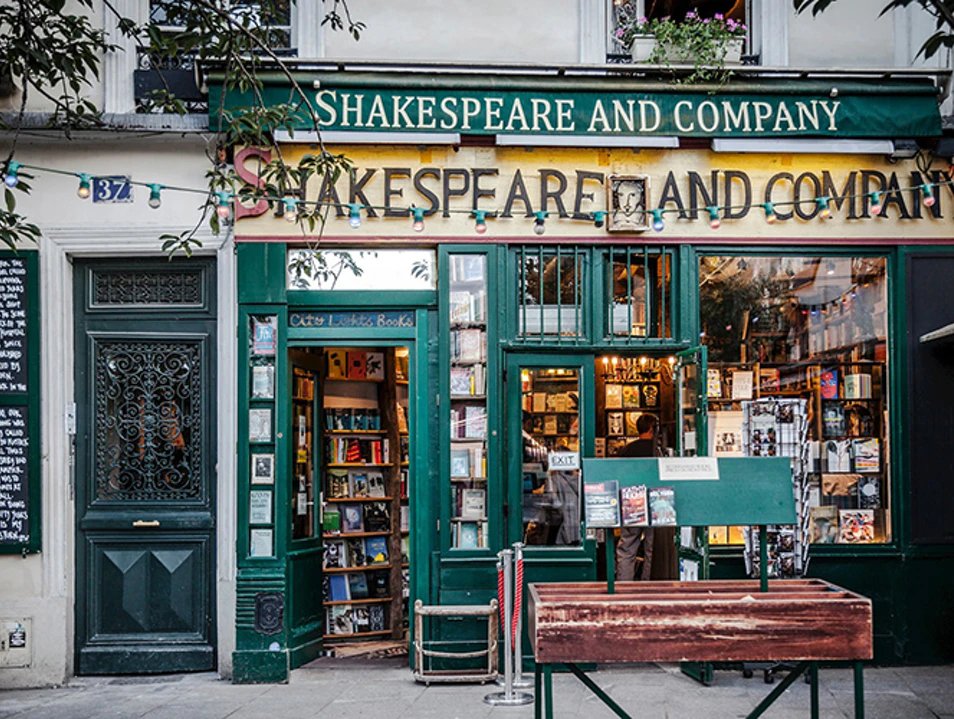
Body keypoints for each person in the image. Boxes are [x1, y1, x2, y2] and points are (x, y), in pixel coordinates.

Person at [615, 414, 677, 580]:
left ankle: (624, 584)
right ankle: (646, 583)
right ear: (652, 429)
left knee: (627, 547)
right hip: (655, 503)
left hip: (631, 503)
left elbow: (618, 476)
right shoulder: (658, 451)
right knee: (651, 549)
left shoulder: (627, 449)